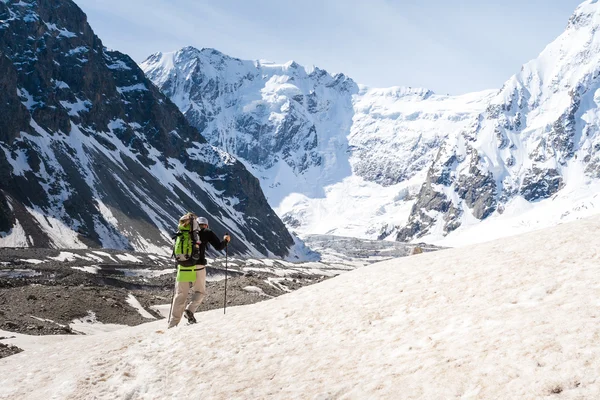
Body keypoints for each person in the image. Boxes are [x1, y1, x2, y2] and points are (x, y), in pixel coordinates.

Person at [168, 216, 230, 328]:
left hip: (182, 267)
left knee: (180, 295)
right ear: (206, 225)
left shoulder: (182, 232)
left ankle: (172, 324)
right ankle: (190, 310)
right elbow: (219, 246)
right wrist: (226, 240)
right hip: (198, 266)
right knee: (200, 292)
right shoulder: (207, 232)